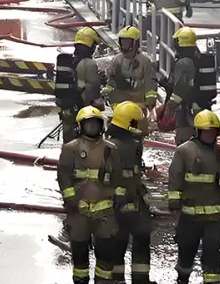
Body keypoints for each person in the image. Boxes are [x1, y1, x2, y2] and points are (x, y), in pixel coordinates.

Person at [168, 110, 220, 284]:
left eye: (213, 131)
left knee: (213, 255)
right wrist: (175, 208)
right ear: (198, 131)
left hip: (213, 219)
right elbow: (175, 180)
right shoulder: (183, 151)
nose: (209, 134)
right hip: (189, 217)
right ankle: (182, 279)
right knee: (186, 254)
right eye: (206, 131)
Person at [58, 106, 124, 284]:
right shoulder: (70, 148)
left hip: (105, 213)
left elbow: (119, 179)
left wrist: (119, 198)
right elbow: (63, 176)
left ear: (101, 125)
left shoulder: (111, 149)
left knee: (105, 255)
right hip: (78, 212)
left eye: (95, 124)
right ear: (80, 126)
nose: (92, 128)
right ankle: (80, 280)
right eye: (88, 124)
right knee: (80, 256)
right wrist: (70, 199)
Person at [108, 102, 152, 284]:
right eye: (138, 123)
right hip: (118, 203)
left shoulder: (131, 144)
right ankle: (119, 279)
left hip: (133, 200)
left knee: (141, 235)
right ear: (130, 124)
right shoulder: (112, 147)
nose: (142, 126)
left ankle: (139, 279)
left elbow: (134, 175)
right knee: (120, 240)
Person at [55, 27, 104, 143]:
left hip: (67, 111)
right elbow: (92, 93)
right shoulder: (89, 64)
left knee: (68, 144)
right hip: (81, 113)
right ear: (91, 45)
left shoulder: (71, 61)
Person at [103, 26, 158, 115]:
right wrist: (107, 92)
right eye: (122, 41)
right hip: (119, 106)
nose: (124, 44)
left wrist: (150, 102)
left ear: (135, 43)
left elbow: (150, 84)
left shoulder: (145, 61)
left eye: (127, 42)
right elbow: (110, 81)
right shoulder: (117, 59)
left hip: (138, 106)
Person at [168, 27, 203, 145]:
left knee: (185, 142)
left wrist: (169, 106)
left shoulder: (184, 63)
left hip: (187, 107)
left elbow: (181, 89)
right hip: (199, 104)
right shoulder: (197, 56)